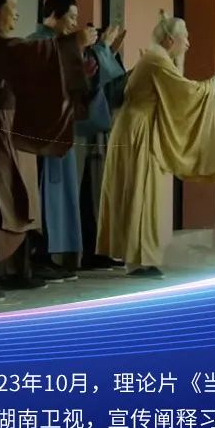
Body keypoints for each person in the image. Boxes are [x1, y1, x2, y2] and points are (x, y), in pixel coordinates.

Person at [0, 0, 95, 303]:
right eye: (11, 7)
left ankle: (12, 269)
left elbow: (35, 74)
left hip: (8, 129)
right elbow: (30, 52)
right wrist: (73, 44)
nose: (17, 14)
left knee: (17, 199)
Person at [96, 11, 215, 278]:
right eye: (186, 38)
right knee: (141, 191)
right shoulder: (156, 60)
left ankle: (138, 257)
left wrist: (214, 88)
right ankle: (138, 260)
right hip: (138, 130)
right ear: (170, 39)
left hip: (136, 127)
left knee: (141, 191)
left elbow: (180, 92)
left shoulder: (157, 58)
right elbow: (187, 92)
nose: (189, 43)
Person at [28, 0, 125, 280]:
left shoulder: (62, 44)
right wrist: (85, 48)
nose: (74, 23)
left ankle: (55, 255)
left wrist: (101, 53)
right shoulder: (36, 42)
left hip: (63, 128)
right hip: (42, 131)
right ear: (53, 16)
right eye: (70, 17)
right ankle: (39, 256)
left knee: (61, 196)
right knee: (44, 194)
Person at [78, 26, 131, 271]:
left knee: (101, 196)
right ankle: (89, 252)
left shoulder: (97, 57)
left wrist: (111, 51)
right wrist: (105, 48)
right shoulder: (86, 59)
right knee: (90, 196)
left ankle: (101, 250)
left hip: (103, 133)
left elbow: (117, 87)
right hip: (87, 136)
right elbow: (100, 81)